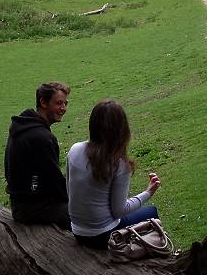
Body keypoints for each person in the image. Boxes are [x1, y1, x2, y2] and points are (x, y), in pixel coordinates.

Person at [67, 99, 162, 249]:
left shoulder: (74, 150)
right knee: (151, 211)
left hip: (77, 230)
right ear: (122, 130)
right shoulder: (119, 164)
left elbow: (71, 191)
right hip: (103, 236)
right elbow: (119, 211)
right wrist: (148, 192)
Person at [4, 81, 71, 227]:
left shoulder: (22, 126)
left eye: (65, 104)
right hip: (32, 209)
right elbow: (53, 181)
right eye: (59, 103)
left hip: (20, 204)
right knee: (89, 214)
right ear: (43, 102)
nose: (63, 108)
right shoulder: (41, 138)